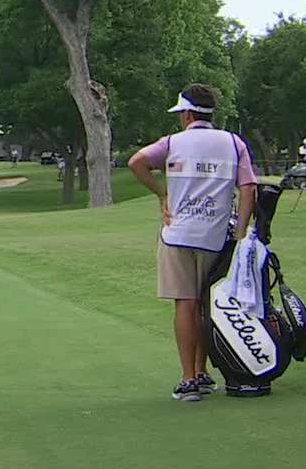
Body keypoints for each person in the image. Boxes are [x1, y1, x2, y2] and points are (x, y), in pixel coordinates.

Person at [127, 84, 257, 403]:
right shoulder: (233, 142)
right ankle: (202, 373)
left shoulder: (173, 143)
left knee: (185, 303)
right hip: (216, 237)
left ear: (187, 114)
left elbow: (137, 163)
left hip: (178, 234)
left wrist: (162, 194)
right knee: (206, 305)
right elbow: (249, 189)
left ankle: (189, 380)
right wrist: (240, 230)